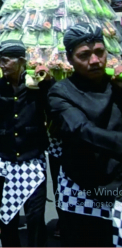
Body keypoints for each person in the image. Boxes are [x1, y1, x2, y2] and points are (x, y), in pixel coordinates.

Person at [48, 23, 122, 247]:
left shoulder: (116, 85)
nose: (95, 61)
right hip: (81, 189)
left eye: (99, 52)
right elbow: (81, 130)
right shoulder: (61, 91)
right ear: (69, 59)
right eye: (85, 55)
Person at [0, 40, 53, 247]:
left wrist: (49, 82)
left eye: (6, 60)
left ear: (21, 62)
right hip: (3, 161)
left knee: (36, 218)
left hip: (32, 161)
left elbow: (55, 109)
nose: (1, 64)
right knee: (7, 219)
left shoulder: (37, 87)